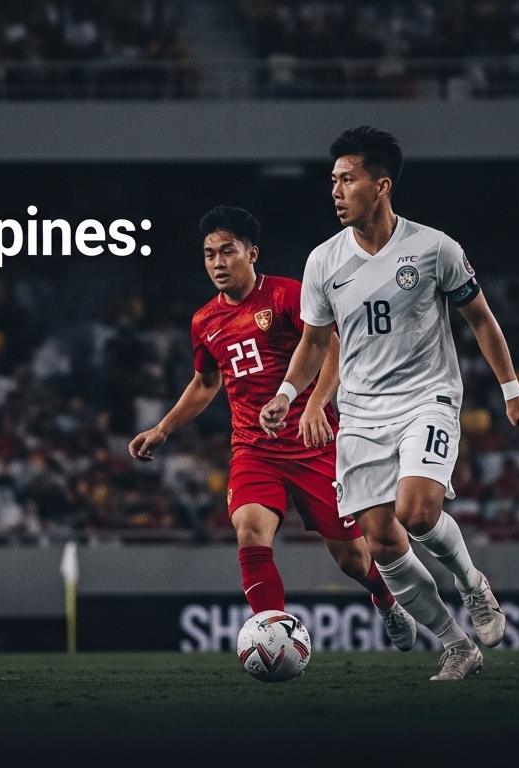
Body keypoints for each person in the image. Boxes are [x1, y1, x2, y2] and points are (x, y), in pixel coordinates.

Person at [260, 126, 519, 681]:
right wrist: (286, 395)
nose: (336, 190)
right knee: (384, 544)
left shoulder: (434, 248)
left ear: (382, 185)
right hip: (362, 413)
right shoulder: (323, 262)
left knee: (417, 513)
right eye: (333, 180)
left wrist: (512, 393)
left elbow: (482, 320)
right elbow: (315, 343)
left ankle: (473, 585)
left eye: (347, 179)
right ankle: (455, 645)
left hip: (427, 397)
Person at [129, 205, 417, 652]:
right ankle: (271, 636)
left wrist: (316, 404)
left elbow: (331, 350)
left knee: (354, 559)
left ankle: (385, 600)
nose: (218, 263)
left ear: (252, 253)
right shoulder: (204, 322)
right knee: (248, 528)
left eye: (228, 252)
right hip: (253, 449)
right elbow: (206, 383)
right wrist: (163, 429)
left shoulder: (286, 296)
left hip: (313, 445)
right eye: (209, 255)